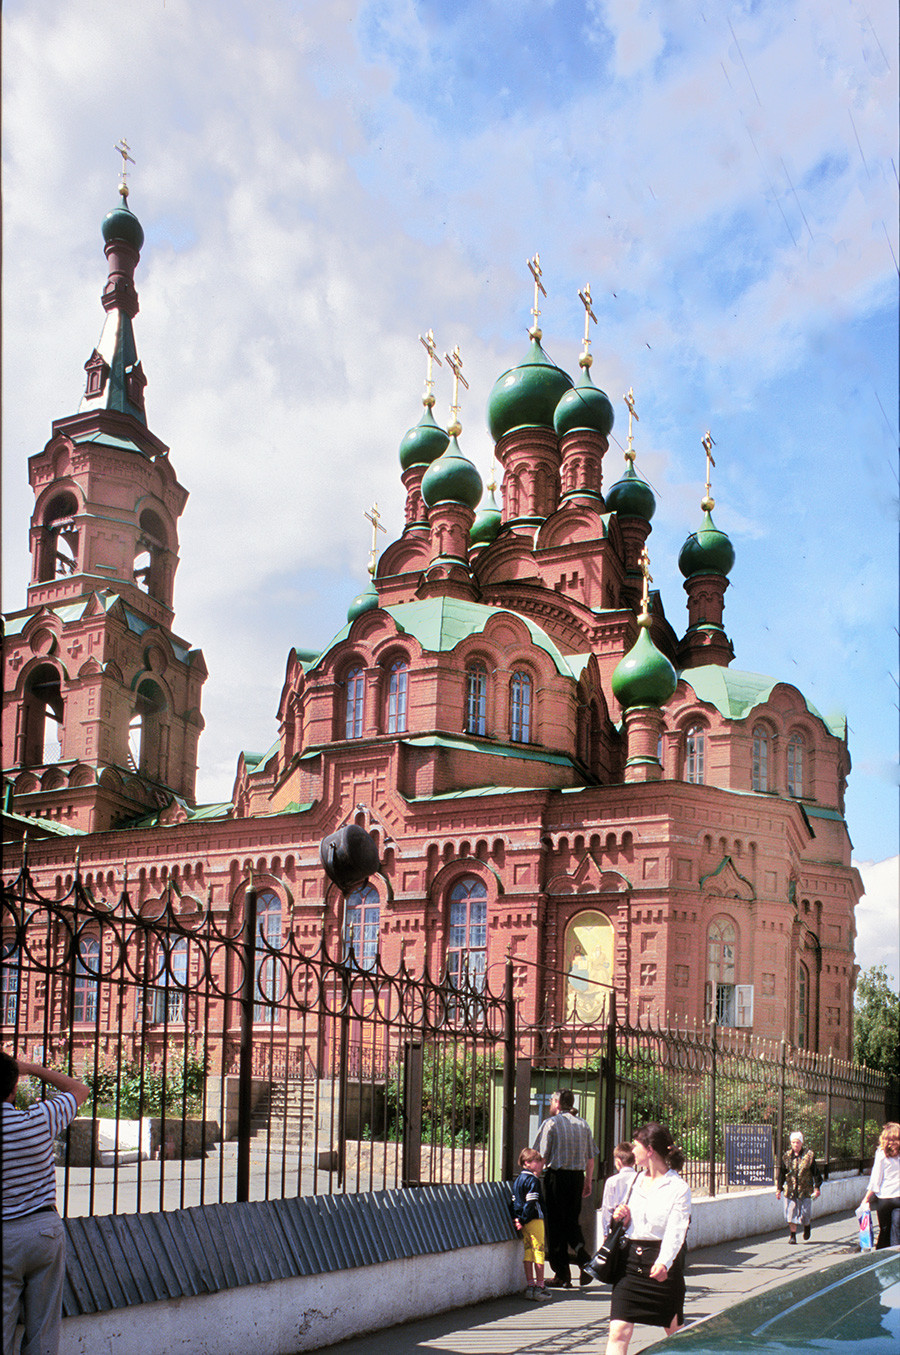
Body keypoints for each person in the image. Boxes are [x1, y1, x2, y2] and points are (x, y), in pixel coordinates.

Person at [2, 1050, 90, 1355]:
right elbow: (80, 1090)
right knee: (43, 1331)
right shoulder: (39, 1119)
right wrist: (29, 1068)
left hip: (4, 1237)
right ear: (14, 1087)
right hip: (44, 1231)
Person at [604, 1122, 690, 1355]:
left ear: (650, 1150)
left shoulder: (678, 1187)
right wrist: (622, 1217)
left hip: (660, 1265)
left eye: (636, 1145)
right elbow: (630, 1222)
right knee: (618, 1332)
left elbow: (676, 1229)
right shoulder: (634, 1180)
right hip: (630, 1264)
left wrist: (664, 1261)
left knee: (676, 1333)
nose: (632, 1150)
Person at [533, 1088, 598, 1287]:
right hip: (577, 1177)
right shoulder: (584, 1125)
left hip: (557, 1177)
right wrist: (587, 1181)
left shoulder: (550, 1123)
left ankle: (562, 1273)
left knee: (555, 1224)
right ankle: (584, 1258)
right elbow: (590, 1157)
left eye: (552, 1100)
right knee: (571, 1221)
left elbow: (541, 1156)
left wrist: (533, 1177)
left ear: (558, 1103)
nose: (551, 1104)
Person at [511, 1148, 552, 1301]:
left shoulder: (518, 1180)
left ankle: (530, 1285)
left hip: (524, 1222)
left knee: (528, 1251)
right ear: (527, 1163)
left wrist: (518, 1219)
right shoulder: (533, 1180)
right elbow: (531, 1202)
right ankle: (540, 1286)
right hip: (534, 1219)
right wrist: (525, 1218)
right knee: (539, 1251)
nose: (540, 1163)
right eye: (537, 1161)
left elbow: (515, 1203)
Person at [776, 1129, 822, 1244]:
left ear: (801, 1143)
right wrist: (779, 1188)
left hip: (805, 1190)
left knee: (805, 1213)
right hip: (791, 1190)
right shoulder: (786, 1156)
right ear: (791, 1143)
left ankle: (807, 1225)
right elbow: (782, 1173)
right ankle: (792, 1236)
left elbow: (816, 1173)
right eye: (793, 1142)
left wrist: (817, 1188)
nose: (795, 1145)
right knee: (791, 1212)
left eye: (798, 1142)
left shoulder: (809, 1156)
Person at [862, 1121, 900, 1249]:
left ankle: (882, 1258)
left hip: (884, 1198)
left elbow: (876, 1179)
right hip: (899, 1198)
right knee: (897, 1231)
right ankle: (896, 1260)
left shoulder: (881, 1153)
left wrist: (866, 1198)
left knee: (884, 1230)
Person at [601, 1141, 637, 1237]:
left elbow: (607, 1209)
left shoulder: (612, 1181)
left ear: (618, 1162)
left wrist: (606, 1233)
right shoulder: (640, 1178)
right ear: (634, 1161)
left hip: (618, 1227)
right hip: (635, 1228)